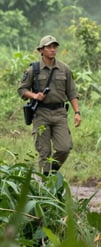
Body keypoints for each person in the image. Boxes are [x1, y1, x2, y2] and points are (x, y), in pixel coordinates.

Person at [18, 35, 81, 175]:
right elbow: (21, 89)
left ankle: (50, 173)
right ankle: (45, 185)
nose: (52, 50)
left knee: (64, 148)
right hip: (41, 114)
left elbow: (72, 92)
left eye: (54, 47)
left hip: (59, 113)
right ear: (41, 50)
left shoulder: (64, 69)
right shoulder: (33, 70)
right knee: (44, 151)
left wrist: (77, 112)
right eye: (49, 47)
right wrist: (35, 96)